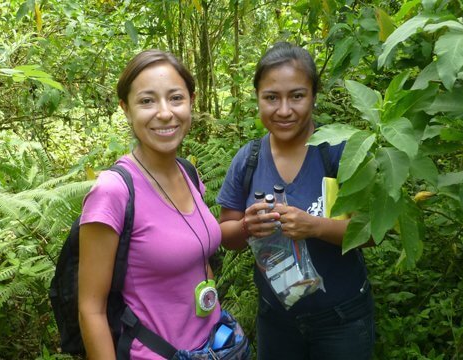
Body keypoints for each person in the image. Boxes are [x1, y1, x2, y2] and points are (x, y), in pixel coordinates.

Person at [217, 42, 375, 359]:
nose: (285, 110)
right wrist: (247, 225)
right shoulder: (248, 159)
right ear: (258, 99)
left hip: (342, 321)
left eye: (297, 96)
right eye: (272, 97)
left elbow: (372, 233)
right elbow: (226, 236)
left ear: (314, 97)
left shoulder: (340, 151)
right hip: (276, 322)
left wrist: (314, 226)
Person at [78, 50, 222, 359]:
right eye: (147, 101)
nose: (165, 112)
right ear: (126, 110)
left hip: (212, 346)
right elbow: (91, 309)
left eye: (175, 98)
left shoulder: (189, 173)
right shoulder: (113, 192)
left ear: (191, 101)